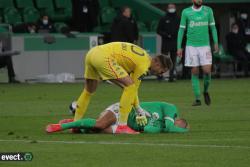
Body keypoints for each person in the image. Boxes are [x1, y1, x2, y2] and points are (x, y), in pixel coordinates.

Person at [69, 42, 172, 134]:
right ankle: (122, 126)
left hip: (92, 53)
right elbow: (132, 88)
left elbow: (131, 90)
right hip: (104, 57)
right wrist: (138, 109)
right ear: (157, 63)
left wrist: (138, 108)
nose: (160, 74)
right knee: (130, 87)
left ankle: (75, 124)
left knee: (88, 91)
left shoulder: (143, 57)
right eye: (161, 71)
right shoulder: (143, 66)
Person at [46, 101, 189, 134]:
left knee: (99, 130)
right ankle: (60, 126)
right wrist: (185, 131)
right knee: (100, 125)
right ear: (177, 119)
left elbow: (146, 129)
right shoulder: (170, 109)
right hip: (123, 109)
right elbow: (169, 127)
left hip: (125, 125)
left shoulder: (160, 127)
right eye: (177, 125)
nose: (173, 126)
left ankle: (76, 126)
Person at [177, 0, 218, 106]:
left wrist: (216, 42)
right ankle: (198, 98)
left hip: (205, 46)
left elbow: (213, 27)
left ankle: (205, 91)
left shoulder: (208, 10)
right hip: (191, 46)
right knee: (194, 71)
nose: (200, 0)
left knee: (207, 71)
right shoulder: (186, 12)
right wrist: (179, 47)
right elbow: (181, 30)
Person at [157, 3, 180, 82]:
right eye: (170, 7)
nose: (171, 9)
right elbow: (158, 30)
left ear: (175, 8)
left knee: (173, 60)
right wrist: (166, 35)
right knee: (163, 60)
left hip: (174, 42)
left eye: (173, 7)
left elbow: (181, 30)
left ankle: (171, 76)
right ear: (167, 8)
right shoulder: (163, 18)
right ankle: (160, 74)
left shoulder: (178, 18)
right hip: (166, 43)